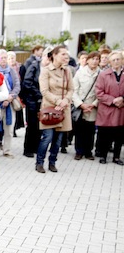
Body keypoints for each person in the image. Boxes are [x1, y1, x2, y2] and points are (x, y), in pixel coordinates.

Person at [36, 45, 74, 173]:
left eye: (67, 54)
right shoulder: (46, 70)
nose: (66, 57)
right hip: (49, 108)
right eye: (63, 54)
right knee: (47, 137)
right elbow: (44, 91)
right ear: (54, 55)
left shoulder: (67, 71)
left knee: (58, 140)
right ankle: (39, 162)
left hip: (64, 108)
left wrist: (65, 101)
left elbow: (71, 89)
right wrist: (58, 101)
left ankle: (52, 162)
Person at [95, 51, 124, 165]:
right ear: (110, 62)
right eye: (113, 60)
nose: (116, 61)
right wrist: (113, 100)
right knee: (105, 134)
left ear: (122, 60)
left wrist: (122, 99)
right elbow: (99, 92)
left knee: (119, 135)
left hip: (121, 109)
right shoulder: (103, 74)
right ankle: (103, 155)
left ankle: (116, 157)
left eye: (118, 59)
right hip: (107, 109)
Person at [22, 46, 51, 158]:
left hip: (44, 101)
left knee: (40, 125)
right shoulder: (34, 66)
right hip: (33, 100)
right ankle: (28, 149)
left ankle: (36, 147)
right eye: (47, 57)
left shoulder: (50, 69)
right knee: (32, 125)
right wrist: (40, 94)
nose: (48, 60)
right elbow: (27, 82)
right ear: (43, 56)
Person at [72, 51, 100, 161]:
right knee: (79, 130)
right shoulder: (80, 73)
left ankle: (88, 151)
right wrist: (81, 104)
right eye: (92, 58)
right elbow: (74, 90)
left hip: (94, 106)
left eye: (97, 59)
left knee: (90, 130)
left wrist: (93, 104)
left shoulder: (102, 74)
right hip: (81, 106)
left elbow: (103, 91)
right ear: (87, 60)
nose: (94, 61)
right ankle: (79, 151)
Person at [0, 49, 21, 158]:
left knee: (9, 129)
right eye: (1, 58)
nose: (3, 60)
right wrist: (1, 98)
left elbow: (17, 86)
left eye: (5, 57)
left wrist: (10, 97)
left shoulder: (12, 71)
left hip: (10, 103)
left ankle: (7, 150)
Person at [7, 50, 25, 136]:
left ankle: (15, 129)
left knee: (17, 111)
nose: (11, 60)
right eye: (9, 58)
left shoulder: (20, 67)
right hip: (9, 94)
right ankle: (12, 130)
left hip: (18, 93)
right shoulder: (5, 69)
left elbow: (21, 81)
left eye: (13, 58)